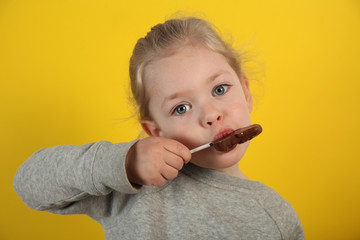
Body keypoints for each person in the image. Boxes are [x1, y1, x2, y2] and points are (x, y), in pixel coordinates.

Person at [14, 16, 304, 239]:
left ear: (246, 91)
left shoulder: (275, 216)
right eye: (181, 108)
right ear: (155, 132)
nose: (211, 115)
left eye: (220, 89)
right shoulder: (128, 185)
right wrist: (125, 163)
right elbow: (27, 183)